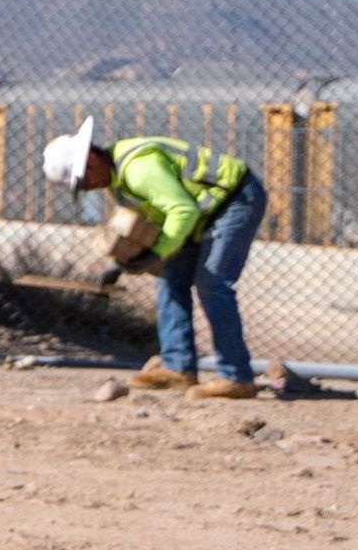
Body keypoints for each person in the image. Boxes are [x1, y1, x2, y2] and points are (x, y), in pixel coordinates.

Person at [45, 115, 267, 397]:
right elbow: (156, 217)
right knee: (170, 279)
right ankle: (178, 369)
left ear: (91, 161)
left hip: (233, 200)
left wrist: (156, 254)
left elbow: (182, 211)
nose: (87, 187)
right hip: (204, 211)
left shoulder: (138, 170)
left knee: (213, 284)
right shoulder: (117, 178)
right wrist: (124, 261)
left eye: (83, 180)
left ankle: (237, 377)